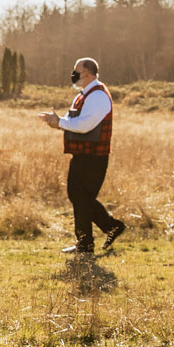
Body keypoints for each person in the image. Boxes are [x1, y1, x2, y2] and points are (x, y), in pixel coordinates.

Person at [40, 57, 125, 255]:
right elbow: (73, 121)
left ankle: (101, 233)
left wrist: (59, 122)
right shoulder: (83, 95)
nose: (74, 75)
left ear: (87, 74)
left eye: (76, 71)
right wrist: (57, 121)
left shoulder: (98, 96)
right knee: (79, 197)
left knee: (81, 197)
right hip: (83, 155)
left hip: (94, 157)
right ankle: (92, 239)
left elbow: (85, 125)